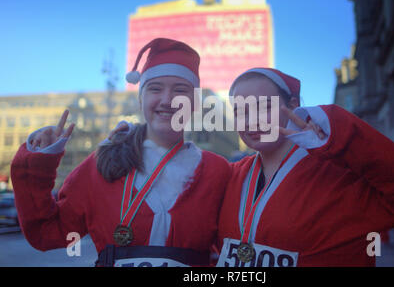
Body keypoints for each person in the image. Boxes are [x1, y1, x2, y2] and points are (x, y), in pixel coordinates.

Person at [10, 38, 231, 267]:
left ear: (194, 102)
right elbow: (46, 233)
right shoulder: (101, 163)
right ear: (140, 98)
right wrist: (38, 162)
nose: (167, 100)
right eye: (155, 89)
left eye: (180, 90)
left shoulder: (218, 171)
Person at [215, 67, 394, 267]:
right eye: (240, 111)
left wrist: (344, 138)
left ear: (294, 105)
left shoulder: (341, 171)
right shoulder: (229, 175)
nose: (251, 120)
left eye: (264, 107)